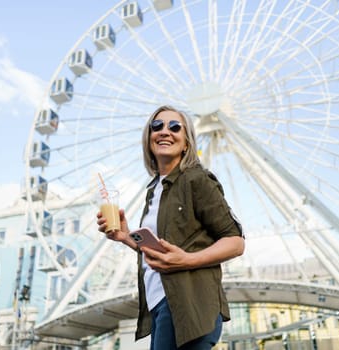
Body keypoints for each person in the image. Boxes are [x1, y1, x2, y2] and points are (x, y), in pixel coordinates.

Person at [97, 105, 245, 349]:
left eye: (175, 127)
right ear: (149, 138)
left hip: (189, 304)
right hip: (159, 305)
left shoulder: (196, 179)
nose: (165, 131)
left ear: (187, 142)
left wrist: (187, 260)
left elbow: (236, 241)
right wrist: (125, 236)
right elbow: (162, 253)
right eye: (157, 126)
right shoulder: (154, 190)